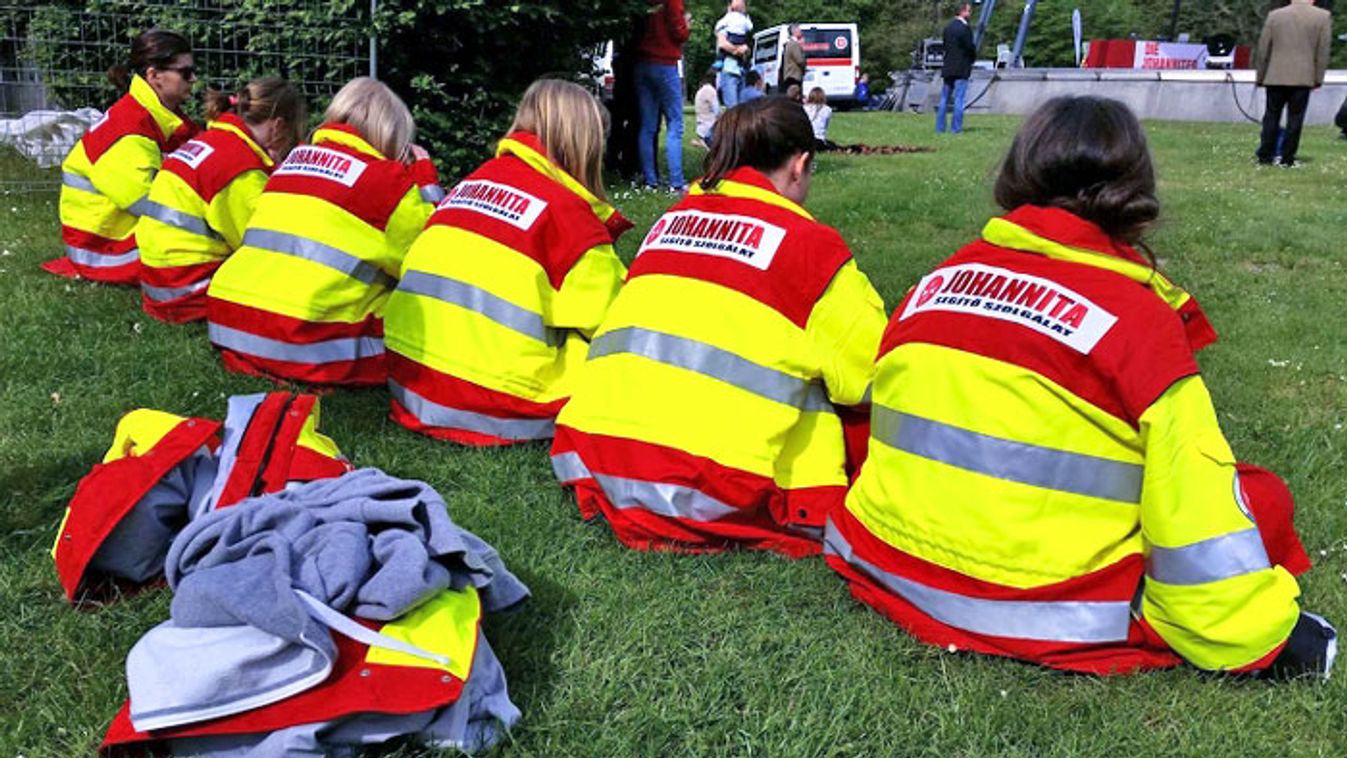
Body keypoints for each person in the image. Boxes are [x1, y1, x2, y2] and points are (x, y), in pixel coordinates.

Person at [828, 96, 1337, 678]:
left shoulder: (935, 281)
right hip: (1037, 608)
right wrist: (1268, 638)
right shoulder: (1137, 321)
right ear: (1133, 190)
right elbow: (1196, 520)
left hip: (882, 558)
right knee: (1260, 499)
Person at [550, 96, 887, 558]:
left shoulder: (668, 223)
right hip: (708, 489)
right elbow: (874, 376)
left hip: (595, 458)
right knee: (823, 377)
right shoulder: (812, 249)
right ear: (800, 165)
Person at [382, 80, 632, 446]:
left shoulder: (470, 184)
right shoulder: (569, 217)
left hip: (412, 386)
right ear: (587, 143)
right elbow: (616, 325)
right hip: (498, 407)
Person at [205, 77, 442, 387]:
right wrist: (426, 183)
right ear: (390, 134)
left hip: (229, 321)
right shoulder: (388, 182)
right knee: (418, 313)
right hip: (300, 342)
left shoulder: (292, 161)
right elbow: (431, 258)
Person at [136, 78, 306, 323]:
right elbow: (264, 247)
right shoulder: (241, 171)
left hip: (161, 284)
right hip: (189, 296)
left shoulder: (212, 141)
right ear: (278, 126)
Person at [48, 29, 199, 285]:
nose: (194, 79)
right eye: (185, 72)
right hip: (106, 252)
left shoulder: (158, 117)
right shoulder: (130, 131)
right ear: (154, 76)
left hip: (115, 240)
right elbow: (155, 209)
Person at [1255, 0, 1333, 167]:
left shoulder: (1275, 16)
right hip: (1303, 77)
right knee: (1295, 118)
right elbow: (1323, 52)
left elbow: (1263, 49)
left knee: (1271, 116)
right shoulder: (1323, 17)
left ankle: (1265, 154)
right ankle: (1287, 157)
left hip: (1275, 75)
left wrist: (1261, 76)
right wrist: (1318, 78)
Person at [634, 0, 691, 191]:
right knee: (675, 123)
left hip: (643, 62)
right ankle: (676, 181)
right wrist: (686, 25)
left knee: (647, 126)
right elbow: (679, 32)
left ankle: (651, 180)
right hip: (665, 63)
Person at [936, 2, 975, 134]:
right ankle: (956, 128)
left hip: (948, 67)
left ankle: (940, 128)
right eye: (969, 11)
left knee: (944, 98)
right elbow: (970, 48)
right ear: (962, 12)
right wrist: (972, 59)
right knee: (959, 99)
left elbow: (946, 47)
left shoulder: (947, 29)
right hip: (961, 68)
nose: (970, 14)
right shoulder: (965, 29)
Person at [714, 0, 754, 108]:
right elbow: (722, 44)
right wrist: (737, 51)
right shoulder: (725, 24)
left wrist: (745, 49)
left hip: (741, 71)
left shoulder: (743, 23)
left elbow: (746, 47)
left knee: (742, 108)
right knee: (733, 108)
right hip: (729, 70)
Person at [692, 68, 720, 148]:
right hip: (709, 127)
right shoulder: (711, 91)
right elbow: (717, 111)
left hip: (701, 127)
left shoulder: (701, 90)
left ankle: (701, 143)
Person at [804, 87, 835, 151]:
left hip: (807, 140)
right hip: (819, 140)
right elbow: (825, 126)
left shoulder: (804, 108)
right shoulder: (828, 110)